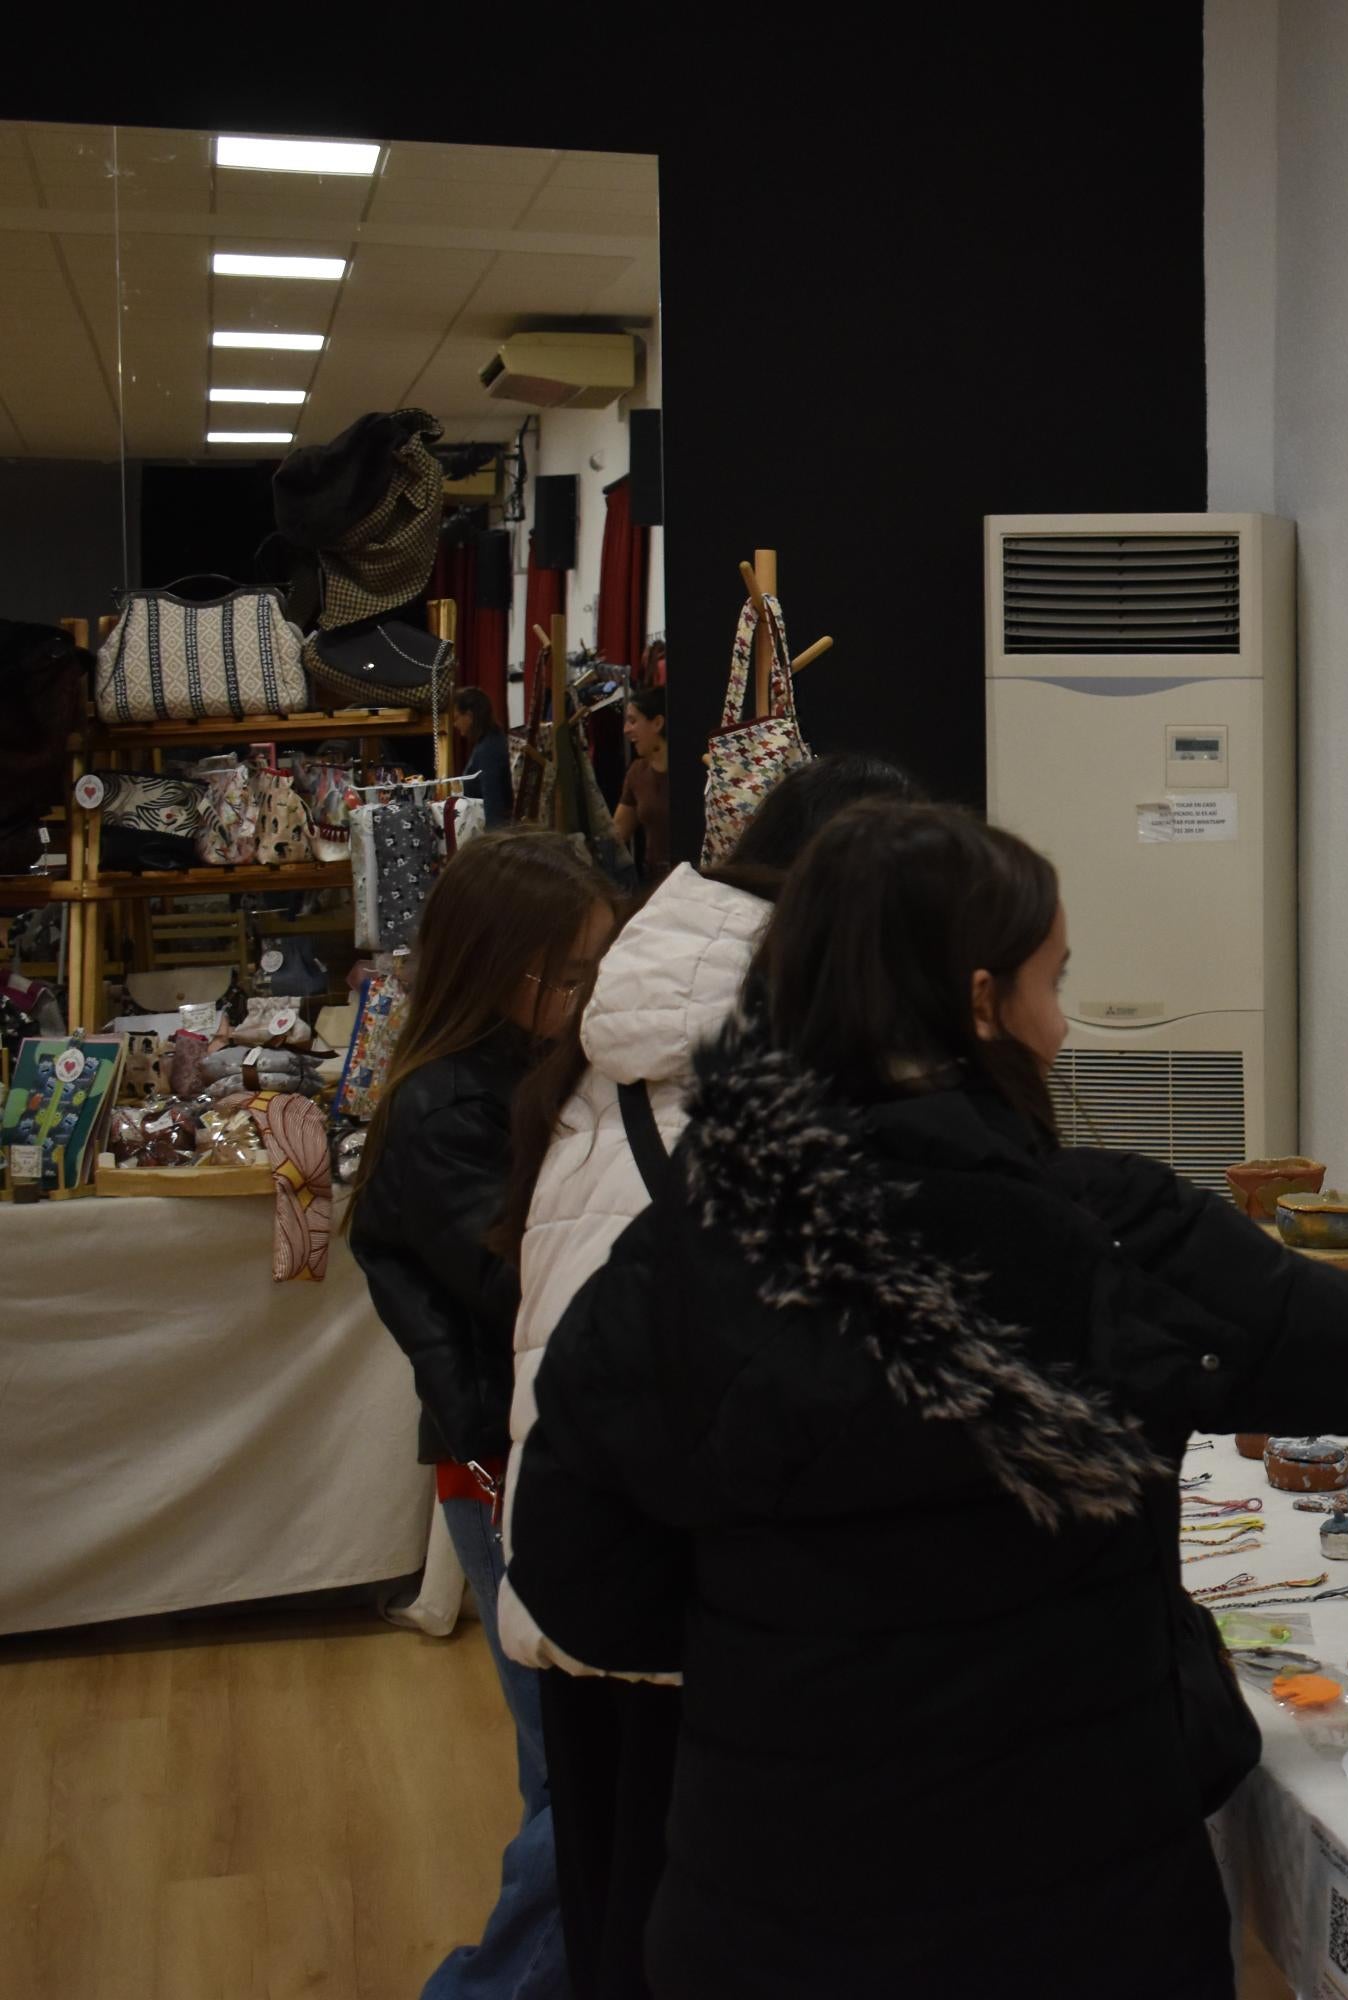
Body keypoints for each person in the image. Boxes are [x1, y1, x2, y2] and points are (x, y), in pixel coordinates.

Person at [507, 802, 1348, 1996]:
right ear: (982, 1003)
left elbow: (575, 1575)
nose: (1066, 1024)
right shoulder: (1099, 1230)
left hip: (769, 1910)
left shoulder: (680, 1250)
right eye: (1053, 980)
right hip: (1071, 1908)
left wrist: (784, 1645)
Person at [488, 755, 922, 2000]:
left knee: (621, 1910)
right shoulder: (770, 1072)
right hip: (706, 1595)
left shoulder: (628, 1042)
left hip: (589, 1564)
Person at [350, 828, 621, 2000]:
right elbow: (524, 1288)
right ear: (508, 971)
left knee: (563, 1776)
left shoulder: (520, 1075)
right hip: (506, 1463)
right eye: (573, 973)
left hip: (526, 1453)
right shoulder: (446, 1108)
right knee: (578, 1787)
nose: (590, 996)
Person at [607, 685, 669, 888]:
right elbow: (617, 834)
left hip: (694, 882)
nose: (626, 730)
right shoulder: (637, 772)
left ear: (657, 723)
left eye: (633, 721)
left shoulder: (692, 771)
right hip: (654, 886)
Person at [455, 686, 516, 825]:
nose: (455, 724)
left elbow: (494, 804)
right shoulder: (492, 739)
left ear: (469, 715)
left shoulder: (488, 749)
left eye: (456, 718)